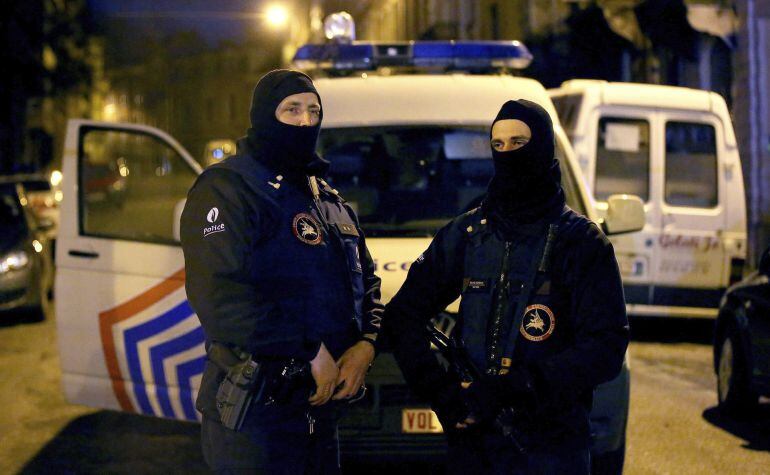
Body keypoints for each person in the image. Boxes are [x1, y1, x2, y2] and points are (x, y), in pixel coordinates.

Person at [384, 99, 629, 474]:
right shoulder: (467, 235)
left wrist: (523, 386)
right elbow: (403, 315)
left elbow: (606, 345)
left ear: (543, 148)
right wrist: (442, 393)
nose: (508, 153)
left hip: (553, 447)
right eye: (498, 145)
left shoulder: (580, 242)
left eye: (519, 142)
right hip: (475, 448)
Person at [180, 69, 383, 474]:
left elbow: (366, 279)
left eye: (313, 111)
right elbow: (219, 298)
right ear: (264, 117)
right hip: (256, 415)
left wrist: (367, 343)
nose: (306, 121)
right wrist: (306, 349)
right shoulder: (228, 188)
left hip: (320, 414)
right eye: (292, 110)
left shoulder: (324, 195)